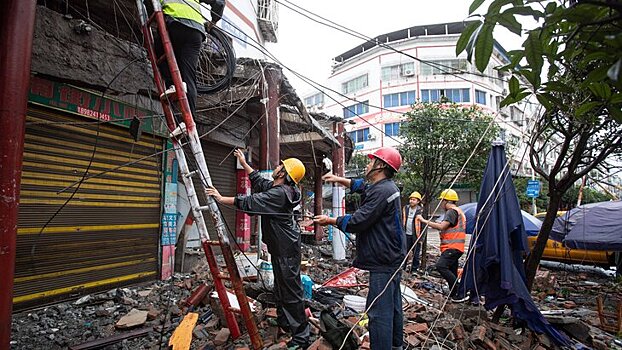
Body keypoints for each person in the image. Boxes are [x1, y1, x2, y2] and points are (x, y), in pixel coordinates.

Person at [205, 149, 310, 348]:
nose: (277, 166)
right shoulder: (280, 188)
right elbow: (260, 183)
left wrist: (220, 198)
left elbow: (250, 202)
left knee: (291, 293)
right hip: (282, 248)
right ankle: (285, 323)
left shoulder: (279, 194)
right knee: (281, 289)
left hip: (286, 251)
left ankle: (301, 338)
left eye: (280, 165)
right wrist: (244, 163)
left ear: (283, 173)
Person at [314, 147, 405, 350]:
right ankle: (397, 345)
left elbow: (358, 220)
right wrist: (338, 179)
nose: (367, 164)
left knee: (378, 311)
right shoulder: (385, 186)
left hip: (384, 259)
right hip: (392, 256)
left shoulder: (383, 191)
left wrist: (331, 220)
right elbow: (362, 186)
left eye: (371, 161)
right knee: (393, 304)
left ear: (380, 166)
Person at [156, 0, 225, 117]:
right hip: (196, 32)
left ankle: (172, 84)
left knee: (158, 49)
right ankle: (189, 120)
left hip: (175, 24)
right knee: (189, 78)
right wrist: (213, 21)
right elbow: (219, 2)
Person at [417, 189, 466, 301]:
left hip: (452, 247)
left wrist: (424, 220)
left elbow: (442, 227)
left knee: (441, 266)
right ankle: (455, 296)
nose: (441, 204)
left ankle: (459, 289)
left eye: (442, 201)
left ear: (446, 201)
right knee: (452, 270)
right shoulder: (458, 211)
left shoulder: (451, 212)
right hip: (457, 247)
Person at [403, 191, 423, 273]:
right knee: (404, 253)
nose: (411, 201)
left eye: (414, 199)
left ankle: (414, 270)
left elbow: (423, 225)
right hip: (406, 234)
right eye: (411, 199)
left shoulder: (420, 210)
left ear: (418, 201)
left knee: (416, 254)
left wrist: (421, 238)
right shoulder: (406, 208)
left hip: (416, 236)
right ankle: (402, 268)